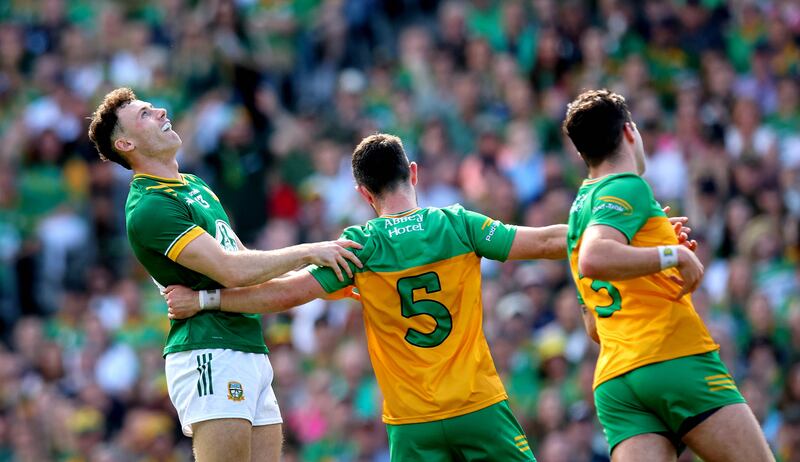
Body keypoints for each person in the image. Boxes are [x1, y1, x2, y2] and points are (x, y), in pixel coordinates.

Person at [164, 133, 577, 461]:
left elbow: (285, 293)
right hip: (478, 406)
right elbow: (545, 242)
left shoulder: (360, 246)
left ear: (364, 193)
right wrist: (611, 226)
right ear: (412, 173)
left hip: (412, 423)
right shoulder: (456, 223)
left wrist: (205, 301)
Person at [87, 88, 363, 462]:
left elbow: (252, 273)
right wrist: (309, 251)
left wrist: (323, 279)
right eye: (145, 114)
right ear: (126, 143)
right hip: (208, 350)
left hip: (248, 345)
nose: (161, 110)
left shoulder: (196, 186)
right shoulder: (150, 205)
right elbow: (232, 270)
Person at [561, 89, 774, 462]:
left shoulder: (579, 213)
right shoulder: (626, 185)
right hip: (672, 358)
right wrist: (670, 254)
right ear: (630, 132)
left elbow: (593, 328)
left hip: (617, 382)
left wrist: (649, 247)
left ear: (583, 153)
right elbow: (594, 258)